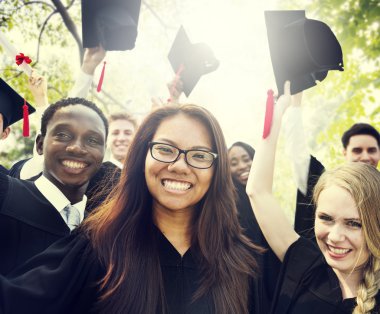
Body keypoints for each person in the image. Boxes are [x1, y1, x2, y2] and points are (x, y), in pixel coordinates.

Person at [0, 104, 265, 314]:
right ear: (141, 157)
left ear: (217, 170)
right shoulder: (100, 247)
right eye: (165, 149)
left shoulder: (242, 263)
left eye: (199, 155)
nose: (180, 166)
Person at [247, 81, 380, 313]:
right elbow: (257, 191)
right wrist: (279, 114)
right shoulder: (305, 265)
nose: (335, 237)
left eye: (353, 223)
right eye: (326, 218)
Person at [0, 97, 107, 275]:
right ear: (40, 144)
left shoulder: (102, 234)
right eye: (63, 135)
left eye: (93, 140)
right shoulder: (5, 195)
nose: (77, 148)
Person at [282, 93, 380, 239]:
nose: (365, 157)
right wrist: (295, 104)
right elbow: (298, 154)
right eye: (357, 150)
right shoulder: (325, 186)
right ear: (345, 153)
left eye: (371, 150)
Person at [228, 141, 281, 302]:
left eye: (246, 159)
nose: (242, 166)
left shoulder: (266, 197)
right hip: (247, 278)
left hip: (276, 273)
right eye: (234, 163)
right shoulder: (229, 206)